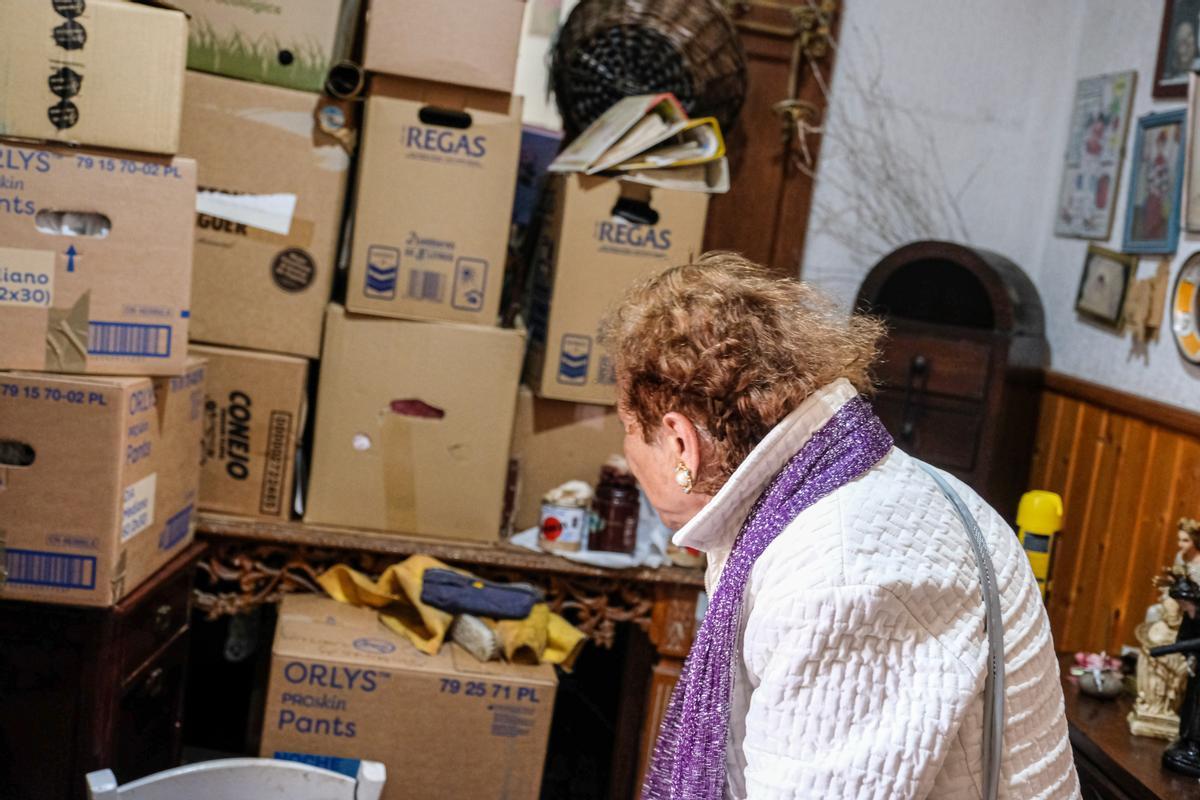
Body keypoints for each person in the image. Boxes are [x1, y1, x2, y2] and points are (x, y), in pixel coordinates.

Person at [604, 253, 1080, 799]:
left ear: (681, 442)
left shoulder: (840, 573)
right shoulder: (854, 490)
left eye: (626, 427)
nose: (624, 451)